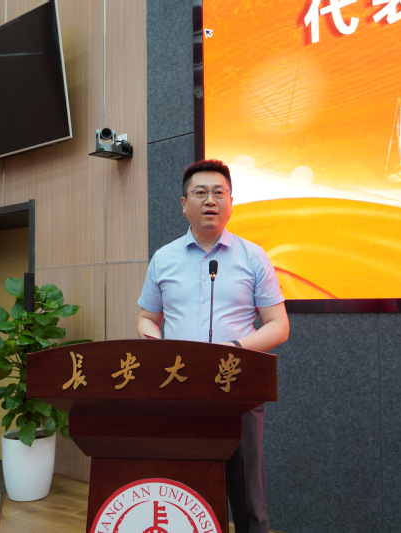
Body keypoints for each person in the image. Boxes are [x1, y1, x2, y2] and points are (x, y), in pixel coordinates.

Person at [137, 158, 290, 533]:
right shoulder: (164, 258)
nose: (210, 200)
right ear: (183, 203)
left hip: (238, 389)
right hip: (179, 389)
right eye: (200, 192)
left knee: (248, 497)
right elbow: (146, 318)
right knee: (187, 489)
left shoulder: (253, 256)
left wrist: (235, 347)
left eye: (219, 192)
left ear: (231, 202)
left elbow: (278, 325)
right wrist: (161, 348)